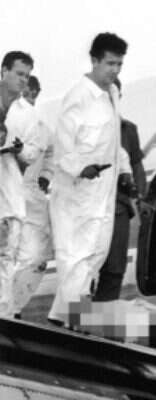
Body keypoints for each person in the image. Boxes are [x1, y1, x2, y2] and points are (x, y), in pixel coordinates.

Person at [48, 33, 133, 327]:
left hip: (102, 193)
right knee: (75, 258)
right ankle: (74, 320)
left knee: (95, 255)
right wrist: (81, 168)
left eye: (119, 65)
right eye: (110, 64)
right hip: (76, 193)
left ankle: (61, 317)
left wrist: (125, 172)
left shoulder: (112, 95)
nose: (114, 71)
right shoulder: (78, 97)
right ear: (94, 61)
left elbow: (114, 143)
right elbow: (63, 148)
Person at [92, 77, 146, 301]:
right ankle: (75, 313)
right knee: (86, 266)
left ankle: (102, 312)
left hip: (119, 207)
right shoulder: (85, 129)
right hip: (90, 206)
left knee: (115, 267)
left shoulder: (128, 130)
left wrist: (141, 197)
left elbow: (137, 165)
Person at [11, 76, 56, 319]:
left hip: (32, 195)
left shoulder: (43, 129)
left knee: (37, 258)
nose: (29, 98)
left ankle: (13, 309)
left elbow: (51, 154)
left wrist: (46, 176)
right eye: (25, 93)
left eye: (33, 94)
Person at [0, 51, 37, 317]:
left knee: (6, 257)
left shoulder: (27, 113)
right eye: (19, 74)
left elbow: (33, 153)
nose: (23, 80)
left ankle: (2, 315)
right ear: (4, 71)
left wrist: (19, 148)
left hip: (10, 197)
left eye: (27, 75)